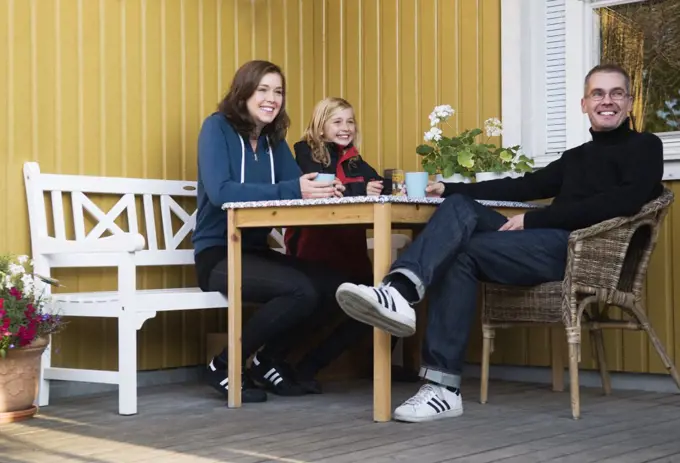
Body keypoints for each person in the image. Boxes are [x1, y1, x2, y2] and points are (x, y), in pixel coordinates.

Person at [334, 63, 664, 422]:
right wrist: (451, 188)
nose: (607, 101)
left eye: (617, 93)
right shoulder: (576, 158)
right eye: (598, 94)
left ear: (630, 103)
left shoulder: (645, 146)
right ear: (584, 103)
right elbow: (521, 187)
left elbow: (623, 202)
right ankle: (402, 294)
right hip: (540, 242)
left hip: (574, 250)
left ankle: (436, 373)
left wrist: (536, 219)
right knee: (460, 209)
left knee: (460, 251)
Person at [193, 60, 347, 403]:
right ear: (243, 92)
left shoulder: (273, 140)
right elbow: (222, 193)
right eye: (262, 90)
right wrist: (295, 189)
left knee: (338, 286)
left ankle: (266, 361)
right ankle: (224, 365)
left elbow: (295, 188)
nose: (271, 98)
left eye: (278, 92)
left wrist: (322, 191)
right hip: (218, 253)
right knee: (300, 291)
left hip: (257, 252)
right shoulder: (216, 129)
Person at [281, 97, 418, 392]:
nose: (346, 128)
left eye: (350, 122)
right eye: (338, 122)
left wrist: (397, 186)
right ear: (320, 127)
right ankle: (306, 366)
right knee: (334, 302)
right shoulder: (306, 151)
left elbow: (377, 182)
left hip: (350, 249)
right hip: (314, 246)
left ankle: (375, 363)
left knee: (384, 298)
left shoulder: (353, 156)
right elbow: (323, 187)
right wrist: (360, 188)